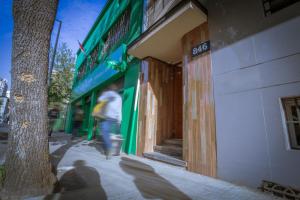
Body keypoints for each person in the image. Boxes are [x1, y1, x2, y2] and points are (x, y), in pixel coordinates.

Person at [94, 84, 122, 159]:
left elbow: (99, 100)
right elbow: (119, 110)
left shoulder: (108, 94)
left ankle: (110, 149)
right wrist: (119, 119)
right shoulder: (118, 97)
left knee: (105, 132)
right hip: (113, 118)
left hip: (108, 117)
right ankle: (115, 149)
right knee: (114, 134)